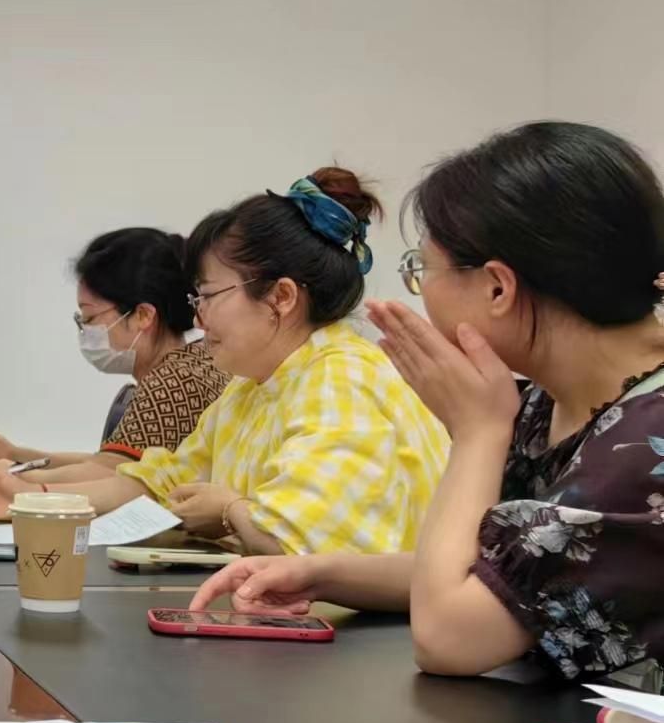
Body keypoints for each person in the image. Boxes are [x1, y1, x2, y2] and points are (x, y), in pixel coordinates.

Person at [193, 123, 664, 687]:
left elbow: (450, 638)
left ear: (497, 288)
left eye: (421, 270)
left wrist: (477, 432)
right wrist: (319, 573)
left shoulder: (648, 439)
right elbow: (491, 578)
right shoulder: (548, 403)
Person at [0, 167, 447, 557]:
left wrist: (231, 512)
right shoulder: (250, 387)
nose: (197, 315)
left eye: (207, 295)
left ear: (280, 297)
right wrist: (31, 500)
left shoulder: (340, 381)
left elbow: (300, 543)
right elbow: (156, 483)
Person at [0, 228, 229, 519]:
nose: (85, 330)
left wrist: (20, 481)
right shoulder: (189, 364)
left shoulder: (174, 382)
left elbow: (109, 472)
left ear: (143, 315)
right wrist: (16, 456)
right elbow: (110, 461)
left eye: (90, 317)